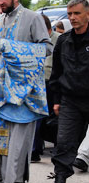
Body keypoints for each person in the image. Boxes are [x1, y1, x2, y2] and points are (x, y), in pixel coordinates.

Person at [0, 0, 53, 183]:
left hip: (25, 87)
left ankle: (15, 178)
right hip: (0, 87)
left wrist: (14, 49)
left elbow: (47, 47)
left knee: (19, 135)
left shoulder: (32, 17)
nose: (0, 2)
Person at [37, 0, 89, 183]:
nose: (72, 18)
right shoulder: (64, 41)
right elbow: (57, 73)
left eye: (76, 13)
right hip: (70, 101)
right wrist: (57, 100)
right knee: (64, 144)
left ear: (87, 14)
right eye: (69, 14)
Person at [31, 14, 57, 163]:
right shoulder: (33, 37)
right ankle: (35, 150)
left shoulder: (59, 39)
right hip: (38, 82)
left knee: (53, 116)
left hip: (53, 82)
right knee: (38, 116)